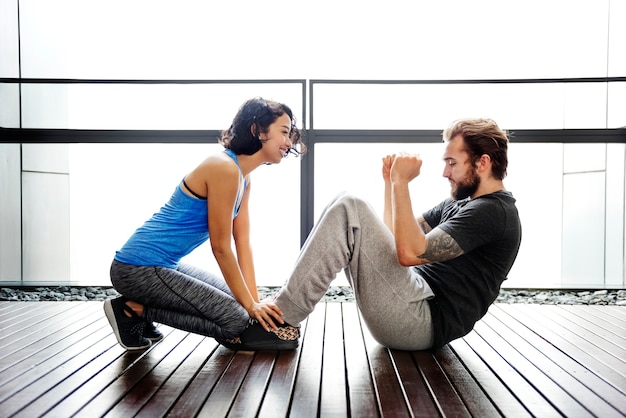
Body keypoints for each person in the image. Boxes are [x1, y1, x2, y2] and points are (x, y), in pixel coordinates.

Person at [218, 118, 522, 351]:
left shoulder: (493, 213)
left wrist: (402, 185)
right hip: (411, 301)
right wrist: (392, 183)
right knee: (345, 202)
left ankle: (281, 322)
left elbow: (409, 254)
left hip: (422, 321)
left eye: (452, 163)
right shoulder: (464, 203)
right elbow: (396, 239)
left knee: (352, 206)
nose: (445, 172)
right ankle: (279, 313)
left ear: (483, 163)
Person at [104, 97, 305, 350]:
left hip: (163, 266)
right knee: (234, 321)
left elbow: (242, 242)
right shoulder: (224, 169)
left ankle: (138, 309)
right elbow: (220, 248)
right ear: (257, 130)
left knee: (241, 303)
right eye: (284, 133)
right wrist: (250, 308)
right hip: (136, 268)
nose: (289, 142)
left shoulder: (244, 177)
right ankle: (134, 309)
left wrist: (254, 303)